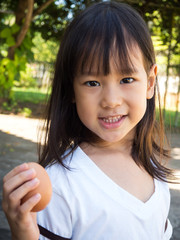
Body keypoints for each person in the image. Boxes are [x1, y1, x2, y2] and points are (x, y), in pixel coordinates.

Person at [2, 1, 175, 240]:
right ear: (71, 90)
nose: (111, 101)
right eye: (92, 83)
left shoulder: (154, 171)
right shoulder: (60, 187)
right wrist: (23, 234)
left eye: (126, 79)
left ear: (150, 82)